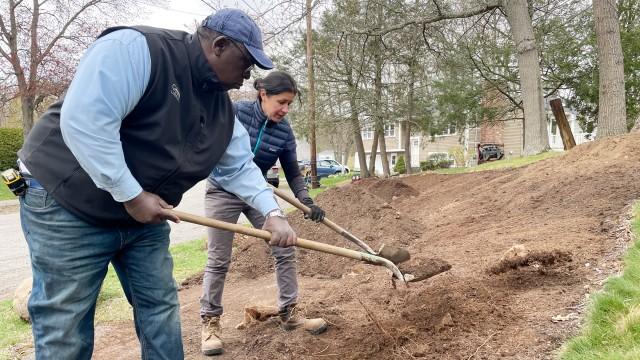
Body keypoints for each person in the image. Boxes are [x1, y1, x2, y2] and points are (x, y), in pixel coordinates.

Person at [17, 8, 296, 360]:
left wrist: (272, 213)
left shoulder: (220, 110)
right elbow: (86, 122)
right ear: (220, 46)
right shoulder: (138, 50)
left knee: (160, 312)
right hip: (67, 204)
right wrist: (132, 195)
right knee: (66, 328)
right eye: (245, 63)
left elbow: (239, 167)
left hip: (144, 218)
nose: (247, 77)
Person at [200, 71, 327, 356]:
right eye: (281, 102)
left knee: (285, 248)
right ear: (263, 94)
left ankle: (289, 313)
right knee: (219, 258)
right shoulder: (234, 113)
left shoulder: (284, 130)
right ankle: (210, 322)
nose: (284, 109)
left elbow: (293, 173)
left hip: (259, 194)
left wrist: (307, 202)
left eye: (289, 104)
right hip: (223, 191)